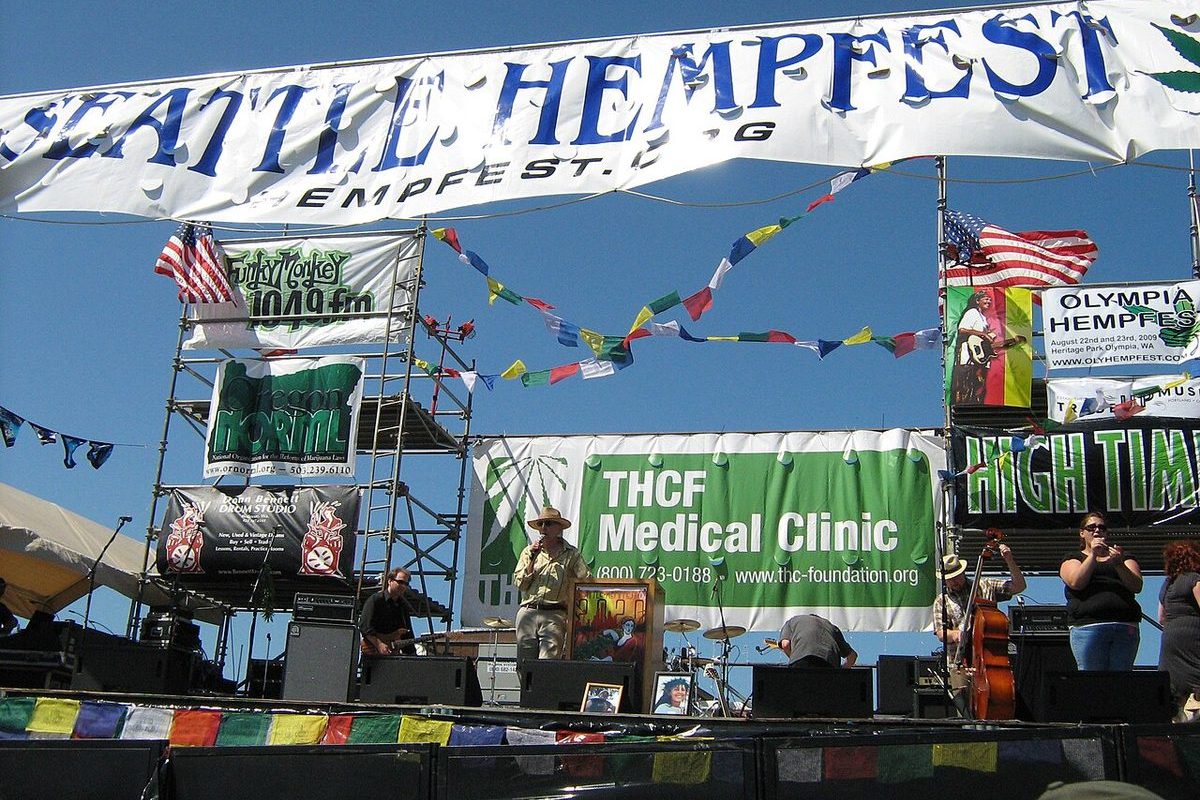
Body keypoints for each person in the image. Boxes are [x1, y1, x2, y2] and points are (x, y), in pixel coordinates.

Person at [1059, 512, 1143, 671]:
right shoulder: (1073, 558)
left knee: (1122, 681)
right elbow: (1076, 582)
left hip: (1124, 626)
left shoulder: (1123, 557)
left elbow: (1136, 585)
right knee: (1093, 682)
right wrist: (1093, 555)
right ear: (1082, 533)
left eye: (1101, 527)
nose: (1097, 530)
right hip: (1088, 627)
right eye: (1091, 527)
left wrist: (1119, 564)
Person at [513, 506, 591, 664]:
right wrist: (532, 559)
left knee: (547, 665)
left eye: (548, 524)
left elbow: (587, 582)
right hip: (528, 612)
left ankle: (542, 688)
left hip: (554, 614)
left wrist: (574, 612)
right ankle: (527, 689)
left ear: (559, 528)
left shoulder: (571, 555)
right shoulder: (528, 552)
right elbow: (520, 583)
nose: (543, 528)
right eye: (540, 524)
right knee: (524, 664)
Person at [933, 545, 1027, 647]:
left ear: (963, 572)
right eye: (950, 579)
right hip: (958, 659)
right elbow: (941, 632)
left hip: (990, 650)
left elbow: (1019, 586)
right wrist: (955, 635)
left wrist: (1009, 560)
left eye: (957, 576)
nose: (954, 581)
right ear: (944, 580)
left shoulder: (986, 586)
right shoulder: (941, 601)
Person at [949, 290, 1026, 406]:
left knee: (977, 390)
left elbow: (988, 345)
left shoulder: (983, 318)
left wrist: (1012, 342)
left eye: (989, 299)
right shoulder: (972, 312)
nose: (989, 301)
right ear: (977, 301)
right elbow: (962, 330)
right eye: (985, 299)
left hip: (980, 361)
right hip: (968, 359)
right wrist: (983, 334)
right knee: (966, 389)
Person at [1158, 539, 1200, 719]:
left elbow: (1161, 618)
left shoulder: (1167, 585)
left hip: (1170, 639)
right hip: (1192, 635)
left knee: (1173, 690)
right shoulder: (1194, 579)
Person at [359, 567, 417, 656]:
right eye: (400, 582)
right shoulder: (376, 600)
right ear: (390, 581)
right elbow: (365, 626)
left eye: (406, 584)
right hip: (373, 654)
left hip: (392, 655)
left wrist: (412, 656)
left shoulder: (403, 606)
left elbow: (407, 635)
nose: (403, 586)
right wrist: (379, 644)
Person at [777, 613, 857, 668]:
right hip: (829, 665)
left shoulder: (792, 621)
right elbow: (852, 656)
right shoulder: (832, 627)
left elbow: (785, 645)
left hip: (800, 665)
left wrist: (795, 657)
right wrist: (842, 669)